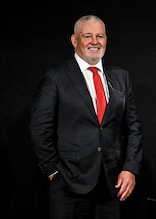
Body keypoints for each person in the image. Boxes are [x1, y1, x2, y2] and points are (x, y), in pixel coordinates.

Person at [29, 15, 143, 219]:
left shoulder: (120, 77)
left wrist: (130, 168)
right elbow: (39, 127)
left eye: (100, 36)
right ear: (74, 40)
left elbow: (134, 127)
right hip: (68, 186)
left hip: (111, 186)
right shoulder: (56, 77)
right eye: (88, 36)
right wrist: (53, 172)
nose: (95, 41)